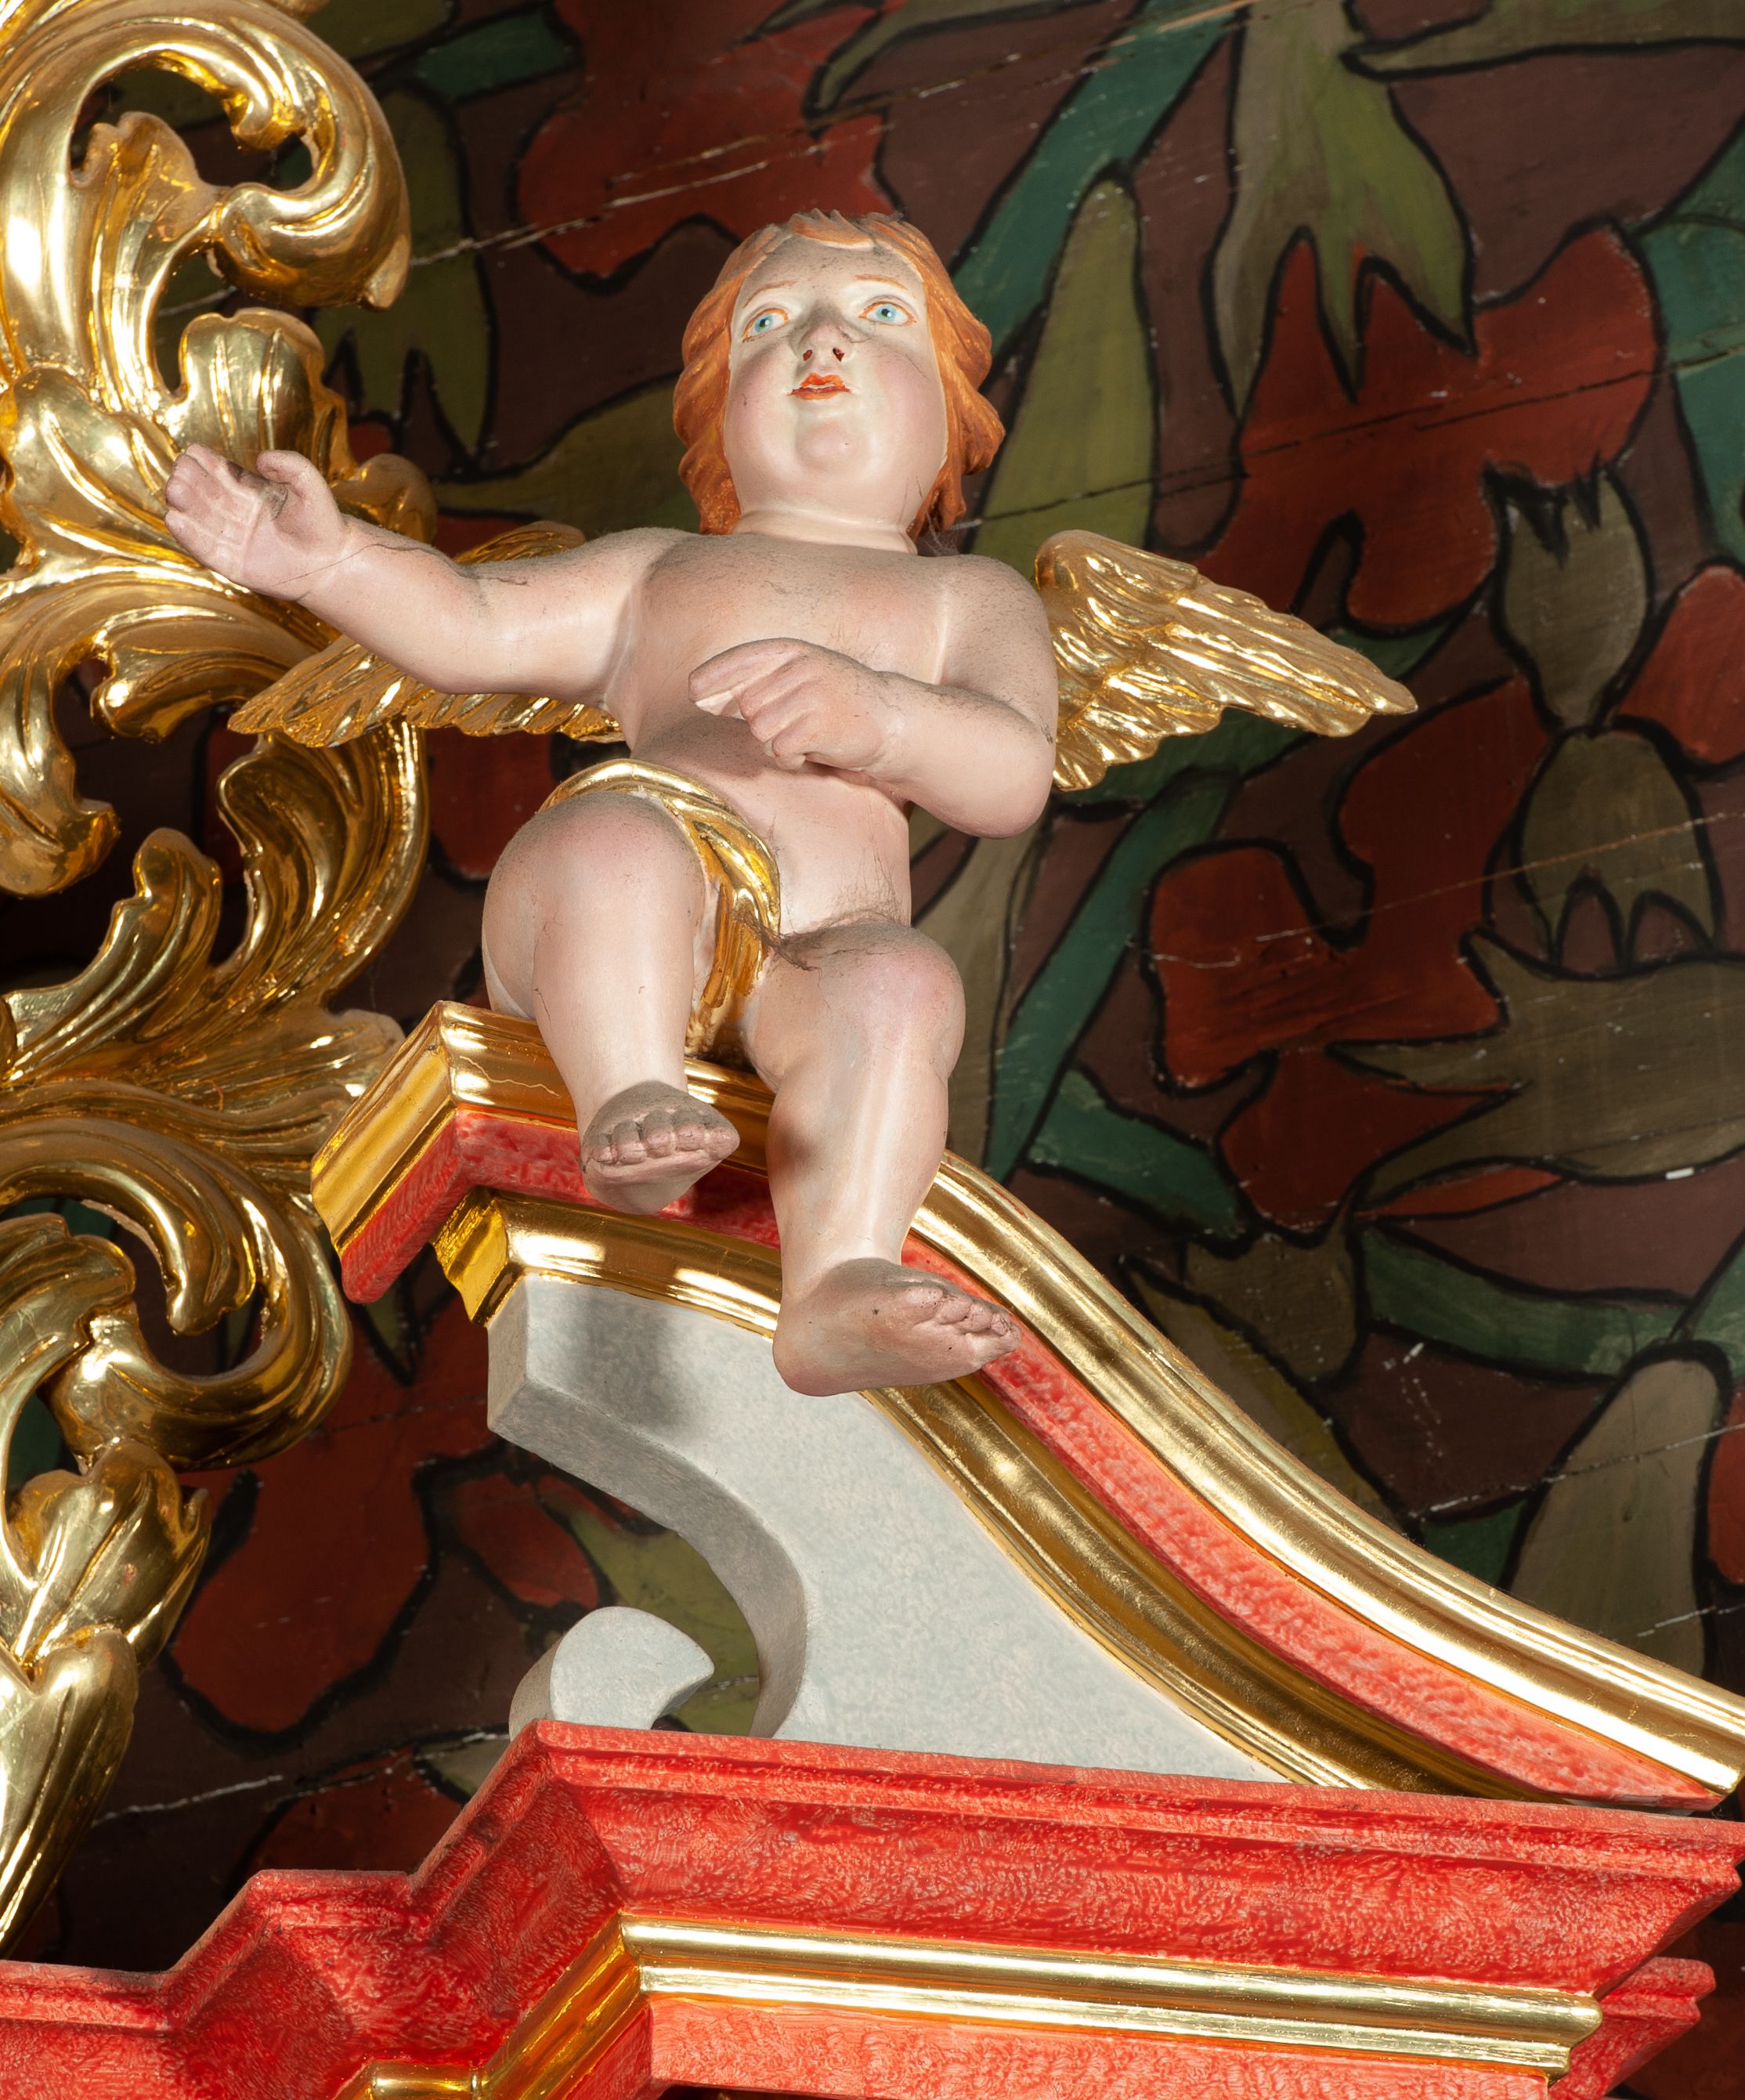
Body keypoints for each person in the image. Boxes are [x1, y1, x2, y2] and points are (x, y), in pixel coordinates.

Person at [163, 210, 1058, 1397]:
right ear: (717, 413)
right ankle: (627, 1088)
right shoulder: (660, 571)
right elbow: (475, 625)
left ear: (951, 408)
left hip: (822, 949)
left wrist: (882, 716)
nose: (821, 340)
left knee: (905, 983)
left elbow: (1012, 772)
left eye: (879, 315)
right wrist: (330, 565)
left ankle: (838, 1279)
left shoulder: (968, 602)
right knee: (610, 838)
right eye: (770, 323)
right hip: (634, 907)